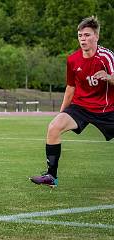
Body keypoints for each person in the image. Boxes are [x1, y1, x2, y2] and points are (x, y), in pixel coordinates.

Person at [30, 16, 114, 188]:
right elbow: (70, 88)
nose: (83, 39)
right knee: (54, 127)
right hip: (81, 107)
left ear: (96, 36)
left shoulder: (106, 56)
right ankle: (51, 176)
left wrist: (109, 78)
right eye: (80, 35)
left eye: (87, 35)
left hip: (108, 109)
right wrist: (62, 113)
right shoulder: (73, 60)